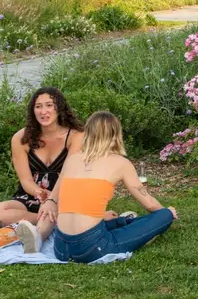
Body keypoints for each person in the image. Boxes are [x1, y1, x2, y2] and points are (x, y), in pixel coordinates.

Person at [43, 111, 178, 263]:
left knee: (116, 222)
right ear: (115, 135)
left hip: (61, 248)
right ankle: (143, 219)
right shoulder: (120, 163)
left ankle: (123, 220)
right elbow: (150, 204)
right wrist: (166, 214)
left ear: (88, 133)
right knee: (163, 215)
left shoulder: (72, 160)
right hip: (92, 249)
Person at [0, 87, 87, 252]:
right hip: (34, 196)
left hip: (66, 193)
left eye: (49, 105)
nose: (43, 111)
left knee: (51, 208)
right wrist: (39, 193)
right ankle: (57, 221)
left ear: (59, 108)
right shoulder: (20, 138)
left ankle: (37, 235)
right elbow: (25, 180)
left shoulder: (76, 137)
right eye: (38, 106)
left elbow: (69, 173)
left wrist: (52, 200)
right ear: (33, 110)